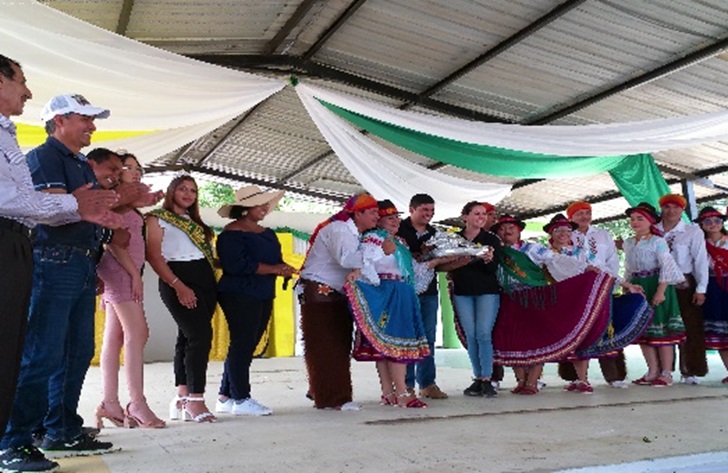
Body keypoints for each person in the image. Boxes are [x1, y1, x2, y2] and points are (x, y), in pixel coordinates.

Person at [0, 55, 120, 473]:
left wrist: (105, 208)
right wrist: (79, 205)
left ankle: (59, 427)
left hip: (77, 261)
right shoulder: (45, 157)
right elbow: (39, 207)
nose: (92, 127)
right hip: (51, 259)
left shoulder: (76, 162)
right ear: (60, 121)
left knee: (74, 351)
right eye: (84, 118)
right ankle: (15, 439)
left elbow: (83, 210)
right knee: (41, 353)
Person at [345, 200, 446, 408]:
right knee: (395, 341)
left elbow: (412, 270)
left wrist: (437, 260)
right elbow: (365, 264)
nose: (395, 221)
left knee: (388, 344)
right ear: (378, 220)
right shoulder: (373, 238)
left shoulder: (399, 242)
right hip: (389, 292)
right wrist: (382, 258)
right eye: (389, 218)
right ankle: (401, 392)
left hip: (401, 291)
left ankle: (390, 393)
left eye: (396, 218)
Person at [96, 151, 166, 429]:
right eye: (127, 167)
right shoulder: (115, 202)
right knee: (138, 333)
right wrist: (134, 274)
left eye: (138, 168)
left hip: (125, 270)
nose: (135, 172)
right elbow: (113, 242)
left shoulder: (128, 204)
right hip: (119, 270)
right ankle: (136, 403)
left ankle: (110, 403)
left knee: (114, 338)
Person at [214, 186, 295, 416]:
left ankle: (226, 396)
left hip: (263, 291)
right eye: (259, 204)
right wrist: (274, 269)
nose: (265, 207)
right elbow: (235, 265)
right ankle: (241, 398)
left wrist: (283, 268)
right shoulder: (231, 233)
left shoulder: (267, 233)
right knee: (243, 343)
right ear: (245, 208)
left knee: (248, 343)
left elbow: (275, 260)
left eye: (266, 203)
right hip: (238, 293)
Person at [299, 193, 383, 410]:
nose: (377, 216)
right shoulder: (340, 230)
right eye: (373, 212)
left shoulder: (353, 232)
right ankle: (334, 398)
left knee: (333, 344)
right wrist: (379, 251)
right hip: (321, 292)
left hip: (331, 293)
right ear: (358, 213)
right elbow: (346, 259)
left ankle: (324, 392)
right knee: (329, 345)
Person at [146, 175, 218, 422]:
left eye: (193, 191)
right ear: (171, 192)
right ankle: (196, 400)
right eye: (183, 189)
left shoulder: (194, 221)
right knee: (200, 336)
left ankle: (182, 396)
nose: (188, 194)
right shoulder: (157, 218)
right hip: (178, 278)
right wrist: (179, 287)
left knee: (186, 338)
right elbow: (155, 257)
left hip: (205, 280)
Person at [442, 201, 502, 398]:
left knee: (483, 333)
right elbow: (446, 263)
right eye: (476, 213)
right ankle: (478, 376)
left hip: (487, 291)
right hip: (462, 291)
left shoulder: (491, 239)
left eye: (484, 214)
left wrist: (488, 259)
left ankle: (487, 377)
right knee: (470, 334)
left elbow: (494, 268)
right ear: (465, 217)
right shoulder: (455, 239)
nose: (481, 217)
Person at [567, 201, 628, 388]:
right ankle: (576, 378)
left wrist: (611, 282)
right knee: (577, 329)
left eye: (587, 213)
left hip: (602, 285)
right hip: (577, 288)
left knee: (607, 328)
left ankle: (615, 376)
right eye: (579, 213)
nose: (584, 216)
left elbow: (612, 260)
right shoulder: (566, 235)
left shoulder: (602, 235)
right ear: (571, 217)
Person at [624, 203, 685, 387]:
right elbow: (628, 267)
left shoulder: (658, 241)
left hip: (657, 284)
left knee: (663, 331)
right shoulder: (628, 242)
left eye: (640, 218)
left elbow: (667, 266)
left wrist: (660, 291)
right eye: (632, 219)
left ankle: (666, 373)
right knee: (644, 331)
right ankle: (652, 371)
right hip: (638, 287)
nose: (635, 222)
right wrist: (627, 286)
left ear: (651, 221)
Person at [396, 194, 448, 399]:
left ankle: (427, 383)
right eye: (425, 210)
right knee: (407, 337)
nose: (429, 214)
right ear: (411, 209)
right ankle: (406, 384)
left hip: (429, 292)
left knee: (428, 338)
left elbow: (441, 261)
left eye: (432, 210)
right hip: (404, 292)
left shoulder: (435, 234)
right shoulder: (398, 230)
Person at [655, 194, 709, 385]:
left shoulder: (692, 231)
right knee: (661, 327)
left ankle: (691, 370)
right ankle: (661, 370)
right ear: (661, 208)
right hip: (658, 284)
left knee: (690, 326)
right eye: (667, 207)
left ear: (682, 210)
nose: (671, 211)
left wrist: (701, 288)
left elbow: (700, 260)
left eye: (676, 207)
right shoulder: (653, 229)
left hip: (684, 283)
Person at [696, 207, 728, 382]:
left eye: (717, 221)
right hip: (714, 289)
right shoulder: (701, 245)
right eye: (708, 221)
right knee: (720, 333)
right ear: (702, 225)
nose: (713, 224)